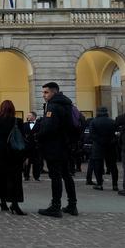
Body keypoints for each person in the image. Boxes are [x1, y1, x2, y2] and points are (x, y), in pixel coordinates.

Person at [36, 82, 78, 217]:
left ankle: (55, 206)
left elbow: (49, 127)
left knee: (56, 176)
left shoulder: (53, 106)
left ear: (54, 92)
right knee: (67, 175)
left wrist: (38, 136)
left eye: (46, 92)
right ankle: (72, 205)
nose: (43, 95)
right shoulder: (67, 104)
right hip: (66, 146)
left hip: (54, 146)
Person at [0, 100, 25, 214]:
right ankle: (15, 204)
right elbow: (21, 139)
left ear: (2, 109)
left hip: (1, 153)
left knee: (1, 178)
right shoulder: (17, 121)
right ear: (13, 109)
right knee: (15, 179)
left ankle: (3, 203)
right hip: (14, 153)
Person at [87, 106, 119, 191]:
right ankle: (115, 185)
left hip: (98, 146)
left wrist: (99, 141)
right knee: (113, 166)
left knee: (98, 165)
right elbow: (117, 134)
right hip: (110, 146)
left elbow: (91, 135)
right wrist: (111, 141)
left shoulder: (94, 122)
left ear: (98, 112)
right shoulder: (112, 122)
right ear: (107, 112)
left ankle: (99, 184)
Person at [21, 112, 42, 181]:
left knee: (37, 162)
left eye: (29, 115)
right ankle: (26, 176)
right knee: (26, 162)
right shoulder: (24, 125)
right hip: (27, 146)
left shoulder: (40, 125)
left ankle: (37, 176)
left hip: (36, 146)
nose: (28, 116)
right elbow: (22, 135)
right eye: (28, 115)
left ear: (34, 116)